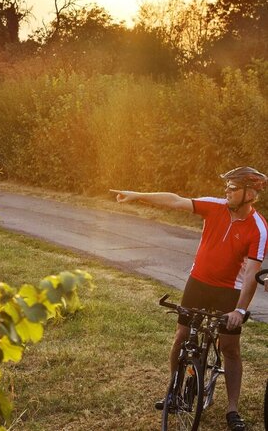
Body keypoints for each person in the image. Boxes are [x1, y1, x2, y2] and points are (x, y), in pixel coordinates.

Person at [111, 166, 267, 431]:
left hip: (229, 290)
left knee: (230, 348)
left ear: (250, 193)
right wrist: (137, 195)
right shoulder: (214, 206)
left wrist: (239, 311)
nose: (226, 191)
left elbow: (252, 273)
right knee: (181, 336)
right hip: (198, 283)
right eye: (227, 186)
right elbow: (175, 200)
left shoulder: (259, 229)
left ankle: (232, 409)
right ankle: (172, 389)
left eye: (233, 187)